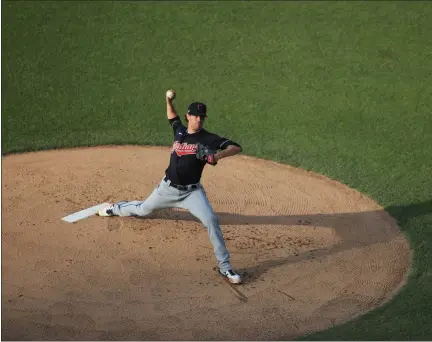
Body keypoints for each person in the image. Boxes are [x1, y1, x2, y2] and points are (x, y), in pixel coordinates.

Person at [97, 90, 243, 284]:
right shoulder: (180, 130)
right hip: (167, 189)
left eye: (202, 117)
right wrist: (168, 100)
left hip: (192, 192)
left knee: (211, 221)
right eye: (196, 116)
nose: (199, 120)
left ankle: (225, 268)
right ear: (188, 116)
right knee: (143, 210)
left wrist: (216, 156)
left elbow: (236, 147)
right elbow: (171, 117)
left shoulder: (209, 138)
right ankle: (114, 208)